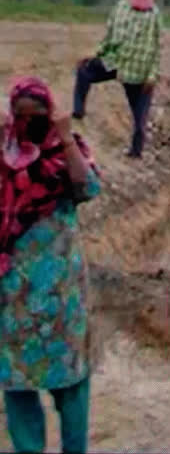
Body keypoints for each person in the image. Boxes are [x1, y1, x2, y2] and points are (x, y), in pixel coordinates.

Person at [0, 77, 101, 453]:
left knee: (71, 382)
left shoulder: (63, 151)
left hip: (61, 293)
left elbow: (87, 187)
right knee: (17, 382)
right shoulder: (5, 153)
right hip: (13, 295)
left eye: (38, 116)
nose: (30, 124)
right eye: (22, 117)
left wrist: (66, 135)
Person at [72, 0, 163, 159]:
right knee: (84, 71)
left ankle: (136, 151)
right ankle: (78, 111)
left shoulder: (154, 14)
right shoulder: (120, 8)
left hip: (139, 72)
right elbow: (109, 38)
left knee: (140, 116)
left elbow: (157, 46)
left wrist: (152, 75)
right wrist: (94, 55)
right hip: (114, 63)